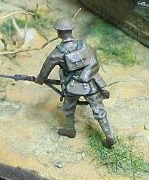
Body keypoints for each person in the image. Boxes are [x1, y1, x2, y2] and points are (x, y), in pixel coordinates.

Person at [35, 17, 116, 147]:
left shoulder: (56, 53)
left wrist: (39, 80)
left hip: (72, 86)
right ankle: (109, 136)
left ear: (59, 33)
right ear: (71, 31)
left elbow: (45, 70)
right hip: (90, 83)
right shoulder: (83, 45)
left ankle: (70, 129)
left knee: (68, 108)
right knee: (99, 110)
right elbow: (94, 61)